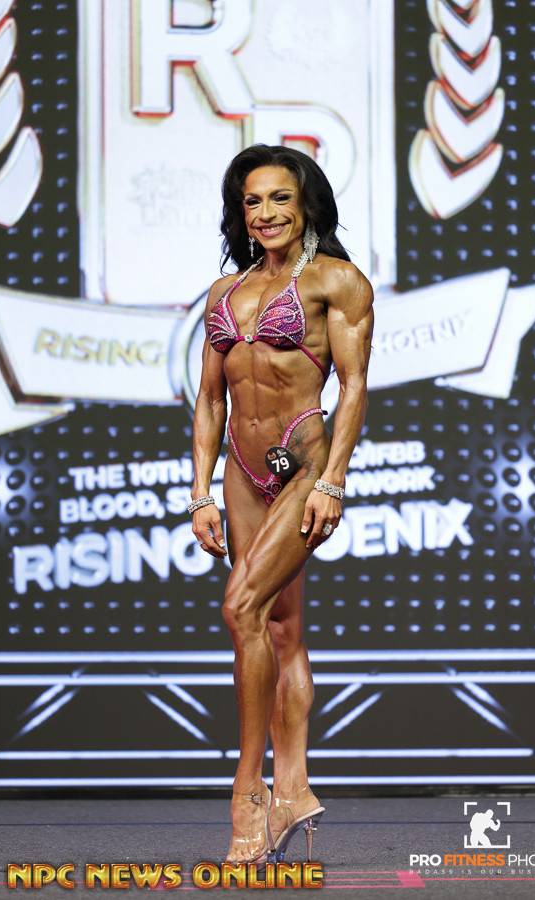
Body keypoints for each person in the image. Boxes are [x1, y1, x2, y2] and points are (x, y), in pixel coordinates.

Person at [189, 144, 373, 865]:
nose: (265, 213)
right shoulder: (223, 293)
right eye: (252, 201)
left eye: (279, 198)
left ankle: (250, 792)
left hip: (302, 465)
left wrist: (332, 481)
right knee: (278, 628)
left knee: (241, 608)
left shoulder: (337, 282)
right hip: (242, 471)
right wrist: (199, 493)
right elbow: (210, 400)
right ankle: (294, 788)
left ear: (306, 206)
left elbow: (353, 387)